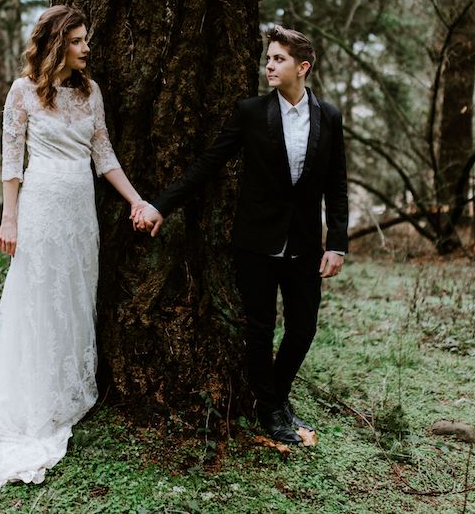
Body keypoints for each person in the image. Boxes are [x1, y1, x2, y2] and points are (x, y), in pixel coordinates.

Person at [0, 5, 147, 487]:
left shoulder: (91, 93)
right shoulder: (22, 92)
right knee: (38, 299)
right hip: (41, 207)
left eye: (86, 39)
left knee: (74, 296)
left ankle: (67, 391)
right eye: (78, 40)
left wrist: (136, 200)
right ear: (55, 44)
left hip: (80, 211)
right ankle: (34, 397)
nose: (87, 48)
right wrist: (11, 217)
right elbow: (11, 160)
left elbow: (103, 155)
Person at [134, 26, 348, 445]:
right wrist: (160, 205)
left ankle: (275, 396)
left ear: (303, 67)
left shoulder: (329, 117)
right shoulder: (251, 112)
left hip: (306, 245)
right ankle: (271, 410)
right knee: (260, 329)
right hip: (256, 244)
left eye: (279, 59)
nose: (269, 65)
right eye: (268, 58)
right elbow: (208, 164)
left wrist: (337, 242)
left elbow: (335, 185)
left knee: (303, 329)